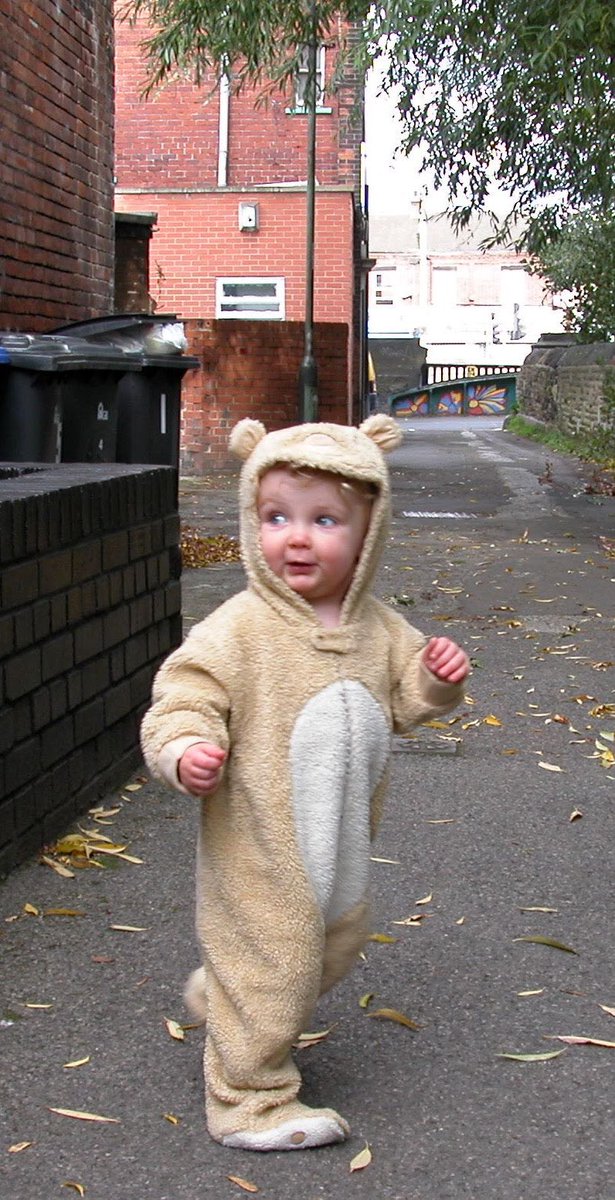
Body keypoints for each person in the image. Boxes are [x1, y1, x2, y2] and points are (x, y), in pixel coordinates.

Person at [140, 415, 469, 1153]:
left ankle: (230, 1002)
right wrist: (186, 747)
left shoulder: (378, 628)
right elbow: (183, 696)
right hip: (259, 847)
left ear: (368, 532)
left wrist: (435, 678)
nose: (296, 537)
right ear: (252, 520)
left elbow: (407, 701)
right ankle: (249, 1100)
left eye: (323, 520)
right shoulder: (240, 628)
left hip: (340, 846)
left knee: (328, 951)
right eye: (275, 517)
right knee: (277, 964)